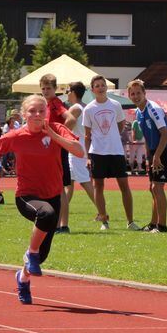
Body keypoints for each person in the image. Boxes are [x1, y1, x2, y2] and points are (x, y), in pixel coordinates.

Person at [0, 94, 84, 305]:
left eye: (41, 110)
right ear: (23, 114)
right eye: (32, 111)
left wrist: (53, 135)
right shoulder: (16, 136)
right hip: (27, 196)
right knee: (46, 214)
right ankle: (31, 254)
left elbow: (79, 151)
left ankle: (23, 278)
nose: (37, 114)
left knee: (42, 254)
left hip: (53, 194)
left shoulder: (57, 129)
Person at [82, 74, 137, 231]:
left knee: (124, 185)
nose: (100, 88)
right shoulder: (89, 109)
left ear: (106, 87)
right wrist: (87, 156)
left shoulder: (115, 105)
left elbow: (121, 125)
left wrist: (112, 137)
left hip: (116, 151)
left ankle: (130, 222)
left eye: (102, 85)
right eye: (97, 86)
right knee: (98, 186)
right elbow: (87, 135)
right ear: (92, 90)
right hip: (97, 152)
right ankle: (104, 221)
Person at [127, 79, 167, 233]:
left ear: (144, 93)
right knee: (152, 188)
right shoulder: (139, 112)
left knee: (157, 187)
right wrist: (149, 157)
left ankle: (162, 226)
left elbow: (165, 135)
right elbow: (147, 137)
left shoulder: (153, 109)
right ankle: (153, 224)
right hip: (154, 152)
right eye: (133, 94)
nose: (136, 96)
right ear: (129, 96)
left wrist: (157, 156)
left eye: (138, 93)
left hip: (164, 150)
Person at [39, 74, 75, 234]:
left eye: (48, 88)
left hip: (57, 150)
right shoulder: (46, 104)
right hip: (49, 150)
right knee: (53, 187)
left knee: (59, 188)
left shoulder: (55, 103)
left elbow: (71, 119)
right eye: (43, 88)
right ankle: (57, 224)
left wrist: (60, 137)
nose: (46, 91)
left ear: (55, 89)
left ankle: (63, 225)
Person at [63, 82, 99, 228]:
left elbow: (66, 128)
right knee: (69, 183)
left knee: (85, 182)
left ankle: (102, 211)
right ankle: (61, 211)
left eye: (67, 90)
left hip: (76, 149)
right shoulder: (86, 106)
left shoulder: (76, 108)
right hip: (82, 147)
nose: (66, 93)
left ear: (73, 92)